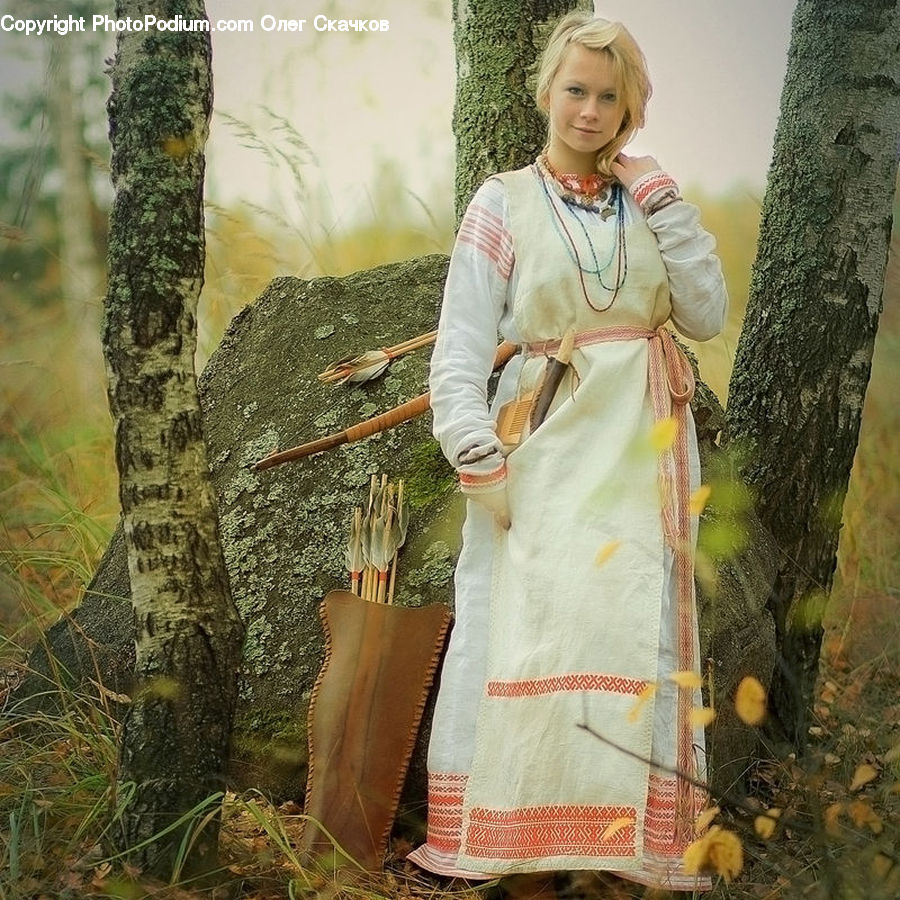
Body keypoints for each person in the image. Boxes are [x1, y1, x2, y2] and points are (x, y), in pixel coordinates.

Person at [407, 10, 728, 893]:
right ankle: (522, 849)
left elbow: (704, 314)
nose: (588, 110)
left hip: (643, 448)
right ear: (545, 91)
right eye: (575, 90)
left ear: (632, 110)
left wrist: (661, 197)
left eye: (608, 96)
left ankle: (622, 848)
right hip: (543, 442)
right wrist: (479, 461)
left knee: (631, 628)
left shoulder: (647, 201)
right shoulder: (501, 201)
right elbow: (461, 348)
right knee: (530, 631)